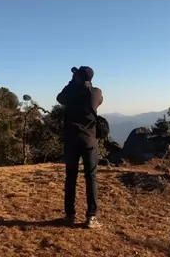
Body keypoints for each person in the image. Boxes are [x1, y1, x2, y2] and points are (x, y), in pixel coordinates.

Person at [57, 65, 104, 228]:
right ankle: (91, 217)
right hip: (89, 141)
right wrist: (81, 82)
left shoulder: (71, 92)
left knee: (71, 178)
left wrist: (72, 82)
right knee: (91, 178)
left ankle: (70, 215)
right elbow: (99, 101)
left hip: (71, 141)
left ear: (77, 77)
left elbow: (59, 98)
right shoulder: (96, 93)